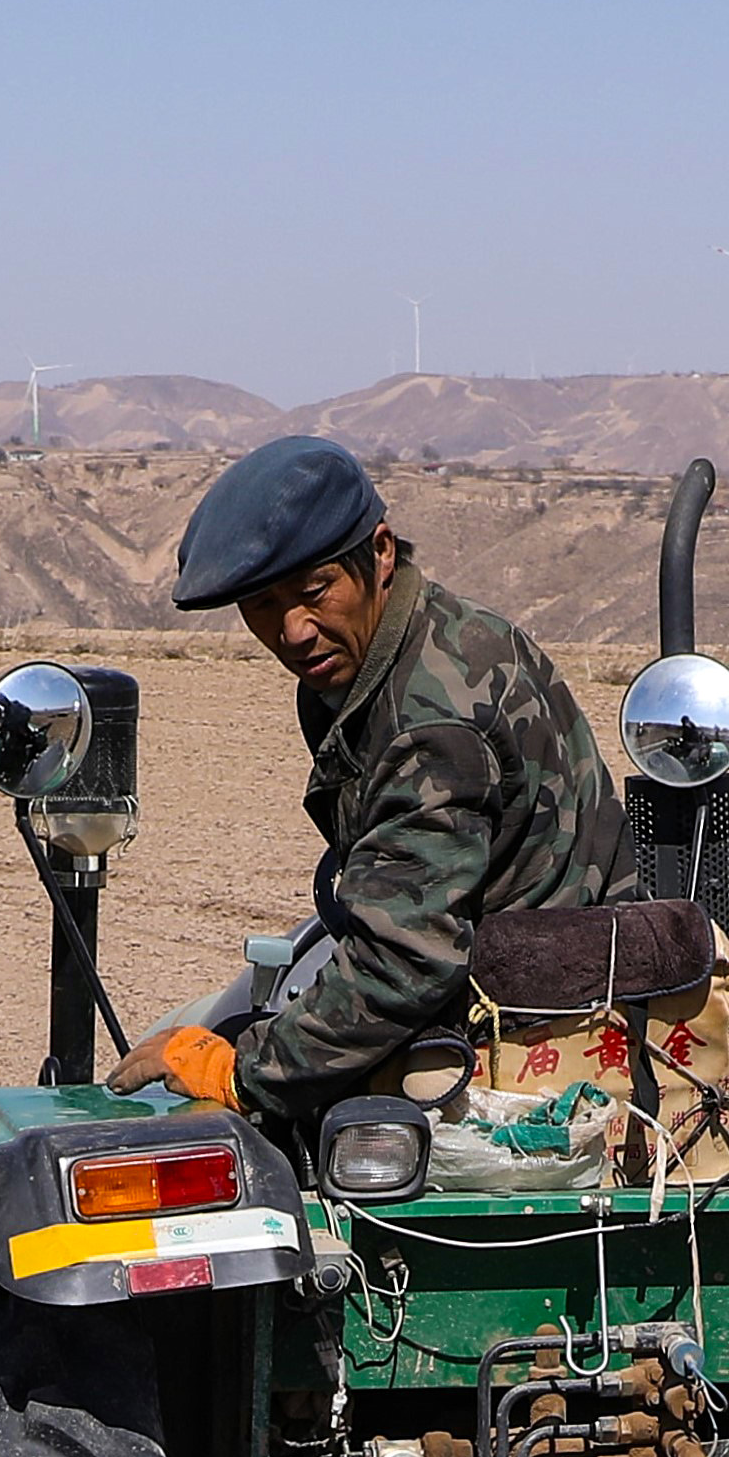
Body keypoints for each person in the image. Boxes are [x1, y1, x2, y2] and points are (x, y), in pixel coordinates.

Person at [133, 435, 635, 1141]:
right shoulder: (423, 638)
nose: (294, 631)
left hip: (527, 1040)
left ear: (381, 553)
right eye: (262, 605)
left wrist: (242, 1074)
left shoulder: (427, 722)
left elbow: (405, 960)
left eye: (314, 592)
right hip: (519, 981)